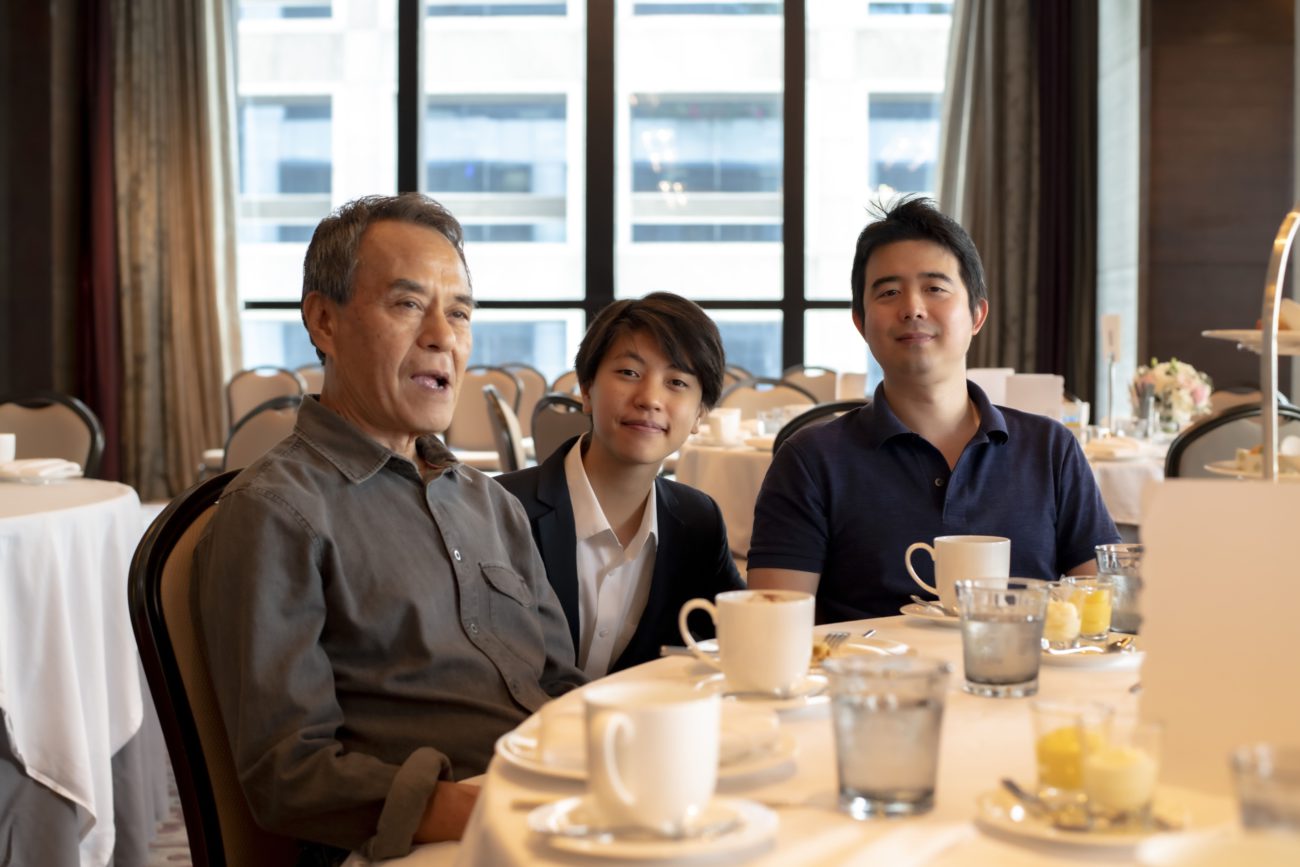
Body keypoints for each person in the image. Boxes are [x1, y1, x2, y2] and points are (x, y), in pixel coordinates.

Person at [193, 193, 585, 864]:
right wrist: (502, 808)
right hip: (422, 841)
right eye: (408, 304)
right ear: (324, 320)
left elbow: (559, 685)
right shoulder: (275, 511)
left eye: (459, 312)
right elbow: (289, 774)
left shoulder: (491, 503)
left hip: (549, 805)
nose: (442, 336)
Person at [747, 196, 1119, 622]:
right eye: (889, 292)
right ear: (860, 322)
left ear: (977, 315)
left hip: (1016, 664)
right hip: (864, 667)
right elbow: (771, 628)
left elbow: (1100, 615)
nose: (912, 309)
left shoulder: (1050, 449)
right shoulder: (810, 459)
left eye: (935, 289)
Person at [495, 292, 745, 677]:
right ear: (586, 389)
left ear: (700, 414)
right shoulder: (499, 509)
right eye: (629, 373)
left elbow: (744, 635)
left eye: (677, 381)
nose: (650, 399)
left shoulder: (699, 524)